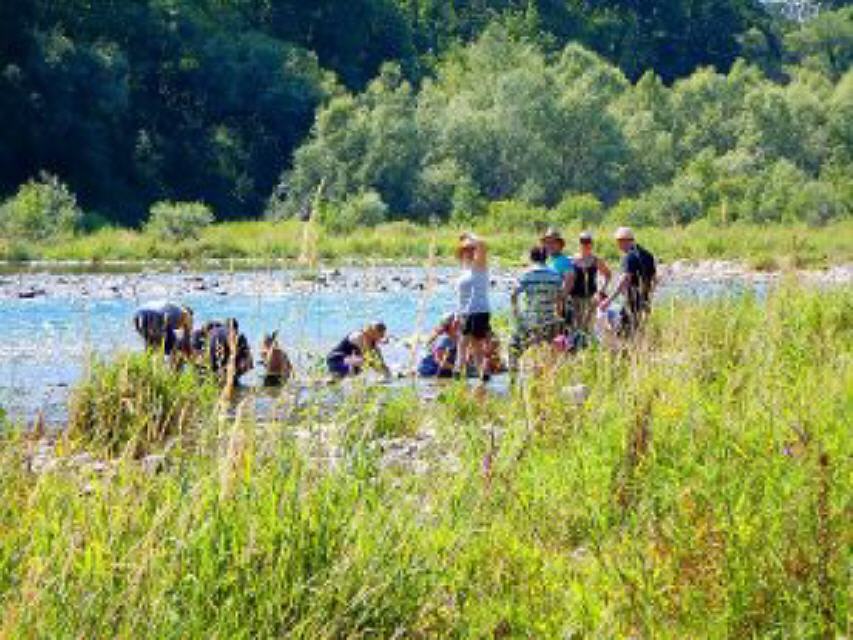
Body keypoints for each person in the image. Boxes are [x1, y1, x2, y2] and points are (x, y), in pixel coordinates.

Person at [510, 245, 565, 371]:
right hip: (550, 318)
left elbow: (514, 294)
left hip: (530, 319)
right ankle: (549, 373)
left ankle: (513, 374)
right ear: (546, 257)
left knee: (514, 346)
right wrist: (558, 316)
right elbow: (560, 297)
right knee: (551, 349)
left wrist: (516, 313)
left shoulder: (527, 274)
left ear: (531, 257)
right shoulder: (555, 275)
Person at [598, 227, 657, 336]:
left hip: (631, 300)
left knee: (624, 334)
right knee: (639, 331)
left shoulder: (629, 257)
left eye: (618, 241)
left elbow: (625, 279)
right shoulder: (648, 255)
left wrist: (609, 300)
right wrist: (649, 298)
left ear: (623, 241)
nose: (617, 245)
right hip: (644, 300)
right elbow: (654, 279)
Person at [455, 233, 491, 381]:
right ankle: (483, 375)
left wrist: (469, 235)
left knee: (464, 342)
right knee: (475, 345)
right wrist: (458, 314)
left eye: (471, 249)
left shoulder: (479, 266)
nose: (468, 252)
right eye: (465, 250)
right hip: (466, 312)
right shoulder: (465, 270)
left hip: (478, 310)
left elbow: (482, 243)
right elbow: (461, 296)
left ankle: (458, 372)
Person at [567, 231, 612, 333]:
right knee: (575, 326)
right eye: (583, 241)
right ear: (579, 243)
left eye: (588, 241)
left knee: (588, 326)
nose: (585, 244)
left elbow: (608, 275)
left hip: (590, 298)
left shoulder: (596, 260)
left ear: (591, 243)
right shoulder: (572, 260)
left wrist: (601, 291)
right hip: (574, 297)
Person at [540, 227, 573, 324]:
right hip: (547, 306)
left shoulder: (564, 261)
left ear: (560, 244)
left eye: (553, 242)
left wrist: (560, 300)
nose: (549, 245)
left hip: (558, 307)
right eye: (547, 242)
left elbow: (569, 281)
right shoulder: (548, 260)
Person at [206, 318, 254, 384]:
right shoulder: (235, 334)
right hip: (231, 365)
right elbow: (249, 363)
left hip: (220, 369)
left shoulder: (214, 334)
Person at [417, 314, 459, 378]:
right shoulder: (444, 340)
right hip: (431, 370)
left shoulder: (457, 337)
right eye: (455, 322)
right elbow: (439, 361)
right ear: (449, 325)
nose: (459, 323)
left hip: (445, 367)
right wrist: (456, 368)